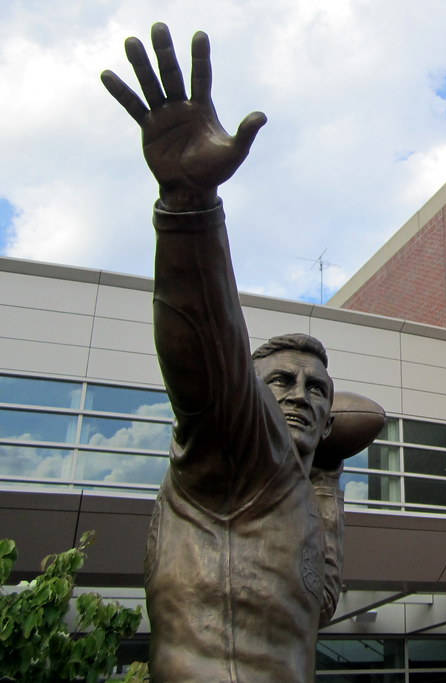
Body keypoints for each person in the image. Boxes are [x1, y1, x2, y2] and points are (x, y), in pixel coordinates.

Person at [102, 23, 345, 682]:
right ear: (250, 398)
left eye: (316, 389)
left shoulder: (299, 488)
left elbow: (319, 598)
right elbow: (209, 367)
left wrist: (323, 463)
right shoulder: (239, 458)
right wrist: (188, 204)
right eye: (282, 382)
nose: (299, 393)